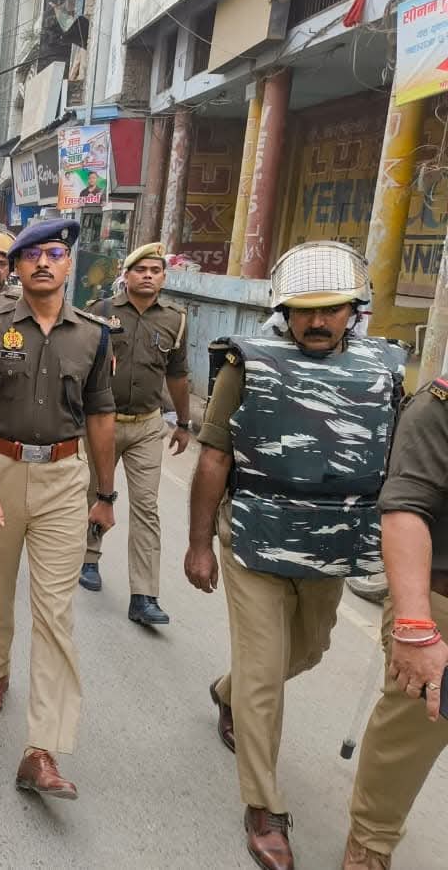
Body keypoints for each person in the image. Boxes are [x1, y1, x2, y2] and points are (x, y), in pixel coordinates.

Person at [184, 241, 405, 870]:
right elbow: (215, 457)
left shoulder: (384, 369)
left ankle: (227, 692)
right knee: (264, 675)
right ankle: (264, 806)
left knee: (308, 651)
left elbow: (399, 462)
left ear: (354, 310)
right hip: (254, 537)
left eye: (331, 309)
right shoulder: (248, 363)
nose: (317, 321)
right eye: (304, 309)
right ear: (285, 311)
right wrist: (199, 544)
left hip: (333, 543)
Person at [0, 217, 116, 800]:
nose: (43, 263)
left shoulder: (94, 336)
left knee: (55, 611)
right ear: (16, 267)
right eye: (30, 255)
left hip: (65, 480)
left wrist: (105, 494)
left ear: (69, 264)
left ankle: (42, 747)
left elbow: (100, 416)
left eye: (54, 254)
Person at [343, 373, 448, 869]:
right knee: (413, 730)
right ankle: (370, 842)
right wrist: (415, 626)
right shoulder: (438, 407)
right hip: (438, 602)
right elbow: (406, 508)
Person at [80, 242, 191, 626]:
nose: (147, 276)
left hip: (147, 424)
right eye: (140, 270)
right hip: (103, 421)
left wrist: (184, 423)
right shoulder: (100, 312)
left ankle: (144, 594)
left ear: (163, 277)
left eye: (155, 270)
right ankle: (89, 557)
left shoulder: (175, 320)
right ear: (125, 276)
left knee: (146, 507)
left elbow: (178, 375)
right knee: (95, 492)